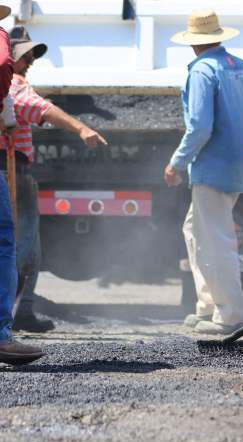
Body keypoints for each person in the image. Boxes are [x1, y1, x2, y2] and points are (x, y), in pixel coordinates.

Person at [164, 8, 243, 334]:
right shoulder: (242, 68)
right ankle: (207, 305)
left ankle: (233, 315)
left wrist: (176, 163)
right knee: (195, 230)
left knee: (216, 241)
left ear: (193, 43)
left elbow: (199, 127)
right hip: (237, 168)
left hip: (211, 169)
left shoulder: (202, 72)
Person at [1, 27, 108, 334]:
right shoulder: (15, 85)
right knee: (21, 247)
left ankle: (18, 311)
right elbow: (42, 110)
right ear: (14, 55)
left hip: (11, 170)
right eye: (26, 56)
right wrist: (81, 128)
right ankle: (16, 312)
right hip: (13, 173)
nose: (30, 61)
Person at [0, 3, 43, 365]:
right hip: (14, 165)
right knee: (9, 241)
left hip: (17, 162)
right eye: (24, 56)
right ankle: (8, 325)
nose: (27, 62)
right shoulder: (11, 77)